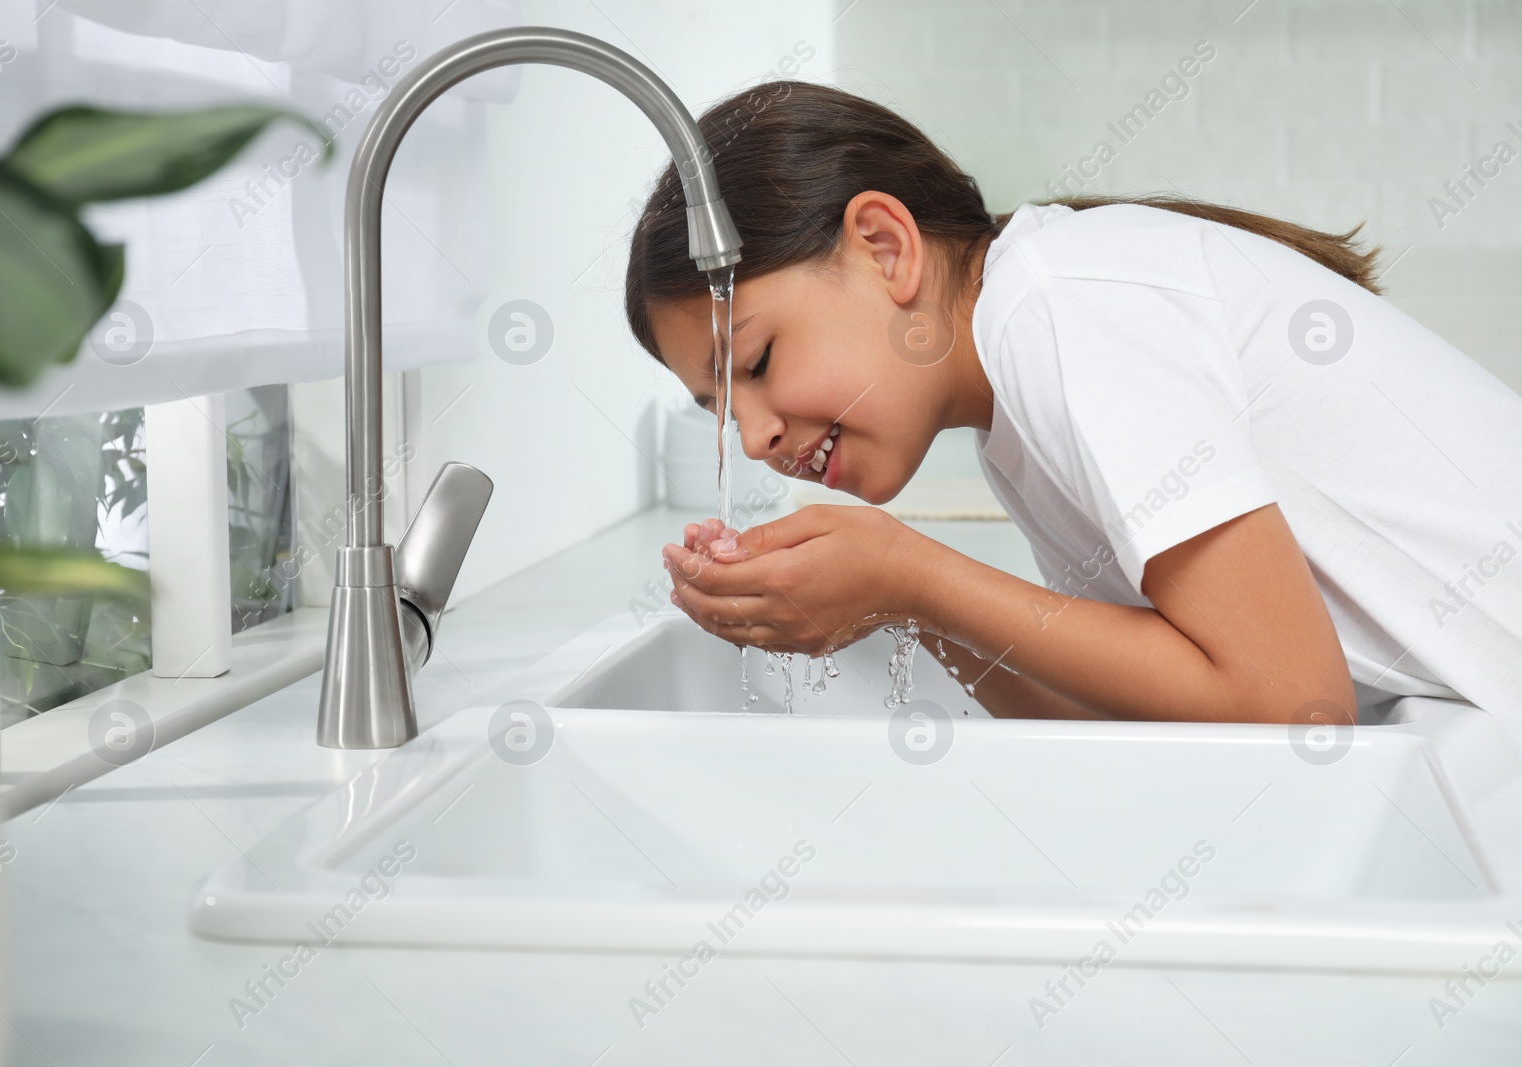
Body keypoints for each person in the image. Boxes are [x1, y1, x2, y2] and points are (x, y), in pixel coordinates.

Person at [631, 81, 1522, 737]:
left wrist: (917, 575)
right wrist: (898, 605)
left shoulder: (1064, 308)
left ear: (882, 247)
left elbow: (1291, 703)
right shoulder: (1017, 404)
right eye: (718, 407)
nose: (752, 437)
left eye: (755, 360)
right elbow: (1121, 712)